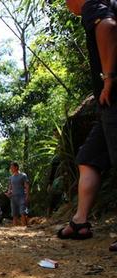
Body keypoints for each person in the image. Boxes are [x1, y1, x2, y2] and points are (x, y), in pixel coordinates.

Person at [60, 0, 117, 252]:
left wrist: (109, 78)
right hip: (106, 106)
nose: (64, 4)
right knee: (88, 157)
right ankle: (80, 221)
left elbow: (107, 26)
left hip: (113, 96)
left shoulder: (94, 5)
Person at [6, 161, 30, 226]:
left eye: (12, 167)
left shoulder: (23, 175)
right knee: (14, 214)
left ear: (16, 167)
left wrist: (27, 195)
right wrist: (8, 193)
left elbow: (27, 186)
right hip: (13, 197)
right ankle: (15, 230)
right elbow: (10, 186)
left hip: (22, 196)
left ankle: (24, 227)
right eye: (10, 168)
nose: (11, 169)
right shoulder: (11, 177)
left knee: (23, 212)